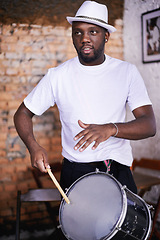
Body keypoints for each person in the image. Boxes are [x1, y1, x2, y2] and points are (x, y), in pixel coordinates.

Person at [14, 1, 156, 196]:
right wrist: (33, 146)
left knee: (125, 227)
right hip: (75, 172)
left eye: (93, 32)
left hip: (117, 170)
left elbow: (149, 125)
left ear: (106, 36)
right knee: (75, 227)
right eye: (78, 32)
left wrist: (110, 129)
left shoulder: (127, 72)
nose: (84, 39)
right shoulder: (57, 75)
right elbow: (23, 113)